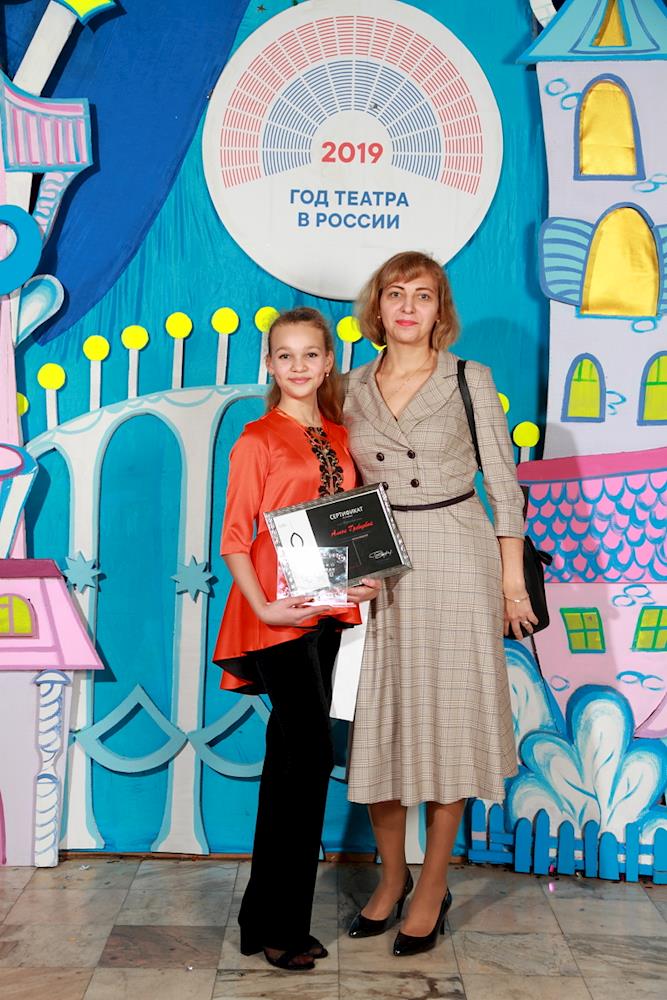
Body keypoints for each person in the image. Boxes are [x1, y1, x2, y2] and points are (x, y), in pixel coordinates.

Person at [343, 251, 536, 957]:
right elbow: (336, 483)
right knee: (383, 721)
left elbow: (504, 486)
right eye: (395, 292)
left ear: (439, 310)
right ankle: (391, 878)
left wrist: (511, 585)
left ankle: (432, 885)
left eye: (421, 295)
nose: (407, 307)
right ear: (377, 305)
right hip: (377, 563)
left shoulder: (467, 378)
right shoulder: (347, 386)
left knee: (449, 721)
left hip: (456, 553)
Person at [213, 306, 380, 971]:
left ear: (328, 361)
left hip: (329, 611)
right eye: (285, 355)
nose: (298, 366)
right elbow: (234, 538)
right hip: (275, 613)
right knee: (310, 755)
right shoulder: (256, 439)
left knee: (289, 760)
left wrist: (363, 579)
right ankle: (281, 924)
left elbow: (344, 527)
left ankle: (264, 920)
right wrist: (264, 608)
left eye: (310, 354)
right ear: (269, 363)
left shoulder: (340, 435)